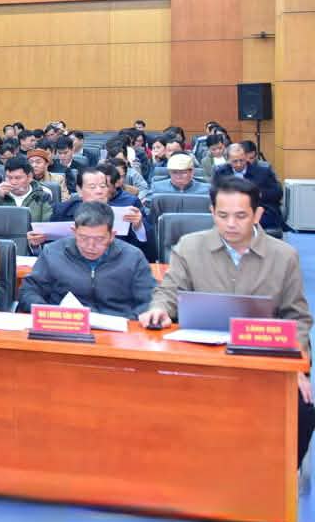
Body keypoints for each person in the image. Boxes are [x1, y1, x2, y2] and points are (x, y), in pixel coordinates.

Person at [139, 177, 314, 465]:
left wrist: (296, 367)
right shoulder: (189, 246)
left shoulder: (284, 256)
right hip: (201, 355)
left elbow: (297, 317)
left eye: (241, 216)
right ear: (212, 212)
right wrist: (158, 309)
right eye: (223, 215)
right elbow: (168, 292)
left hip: (263, 357)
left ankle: (283, 476)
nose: (231, 223)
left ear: (257, 215)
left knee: (303, 407)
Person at [18, 202, 154, 318]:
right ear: (74, 231)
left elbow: (150, 300)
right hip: (65, 326)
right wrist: (48, 313)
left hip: (119, 330)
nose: (90, 246)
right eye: (83, 238)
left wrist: (134, 320)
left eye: (99, 239)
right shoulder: (53, 252)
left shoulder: (133, 257)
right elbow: (29, 290)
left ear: (112, 235)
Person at [52, 164, 152, 260]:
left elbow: (148, 254)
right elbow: (51, 250)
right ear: (79, 190)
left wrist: (138, 228)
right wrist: (37, 243)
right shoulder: (62, 211)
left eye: (103, 186)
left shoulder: (126, 212)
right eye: (93, 187)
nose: (99, 191)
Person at [0, 155, 54, 249]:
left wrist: (38, 237)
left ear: (29, 177)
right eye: (9, 178)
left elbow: (48, 226)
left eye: (18, 178)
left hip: (32, 249)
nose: (13, 182)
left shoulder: (42, 195)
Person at [212, 142, 283, 230]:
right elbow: (214, 194)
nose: (239, 164)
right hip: (230, 211)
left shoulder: (263, 172)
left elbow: (278, 193)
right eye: (235, 161)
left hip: (257, 211)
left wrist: (259, 194)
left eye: (241, 160)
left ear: (246, 157)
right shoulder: (221, 173)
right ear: (228, 160)